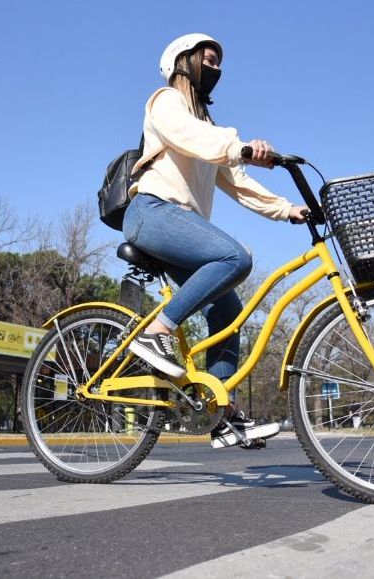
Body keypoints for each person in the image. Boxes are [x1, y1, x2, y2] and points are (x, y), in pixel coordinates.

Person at [123, 33, 309, 449]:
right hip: (152, 213)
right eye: (209, 60)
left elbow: (239, 183)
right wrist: (238, 146)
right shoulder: (164, 101)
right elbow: (191, 137)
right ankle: (156, 333)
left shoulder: (207, 128)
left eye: (219, 64)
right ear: (183, 62)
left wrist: (288, 208)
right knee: (235, 257)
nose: (216, 70)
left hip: (178, 224)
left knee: (227, 307)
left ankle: (224, 415)